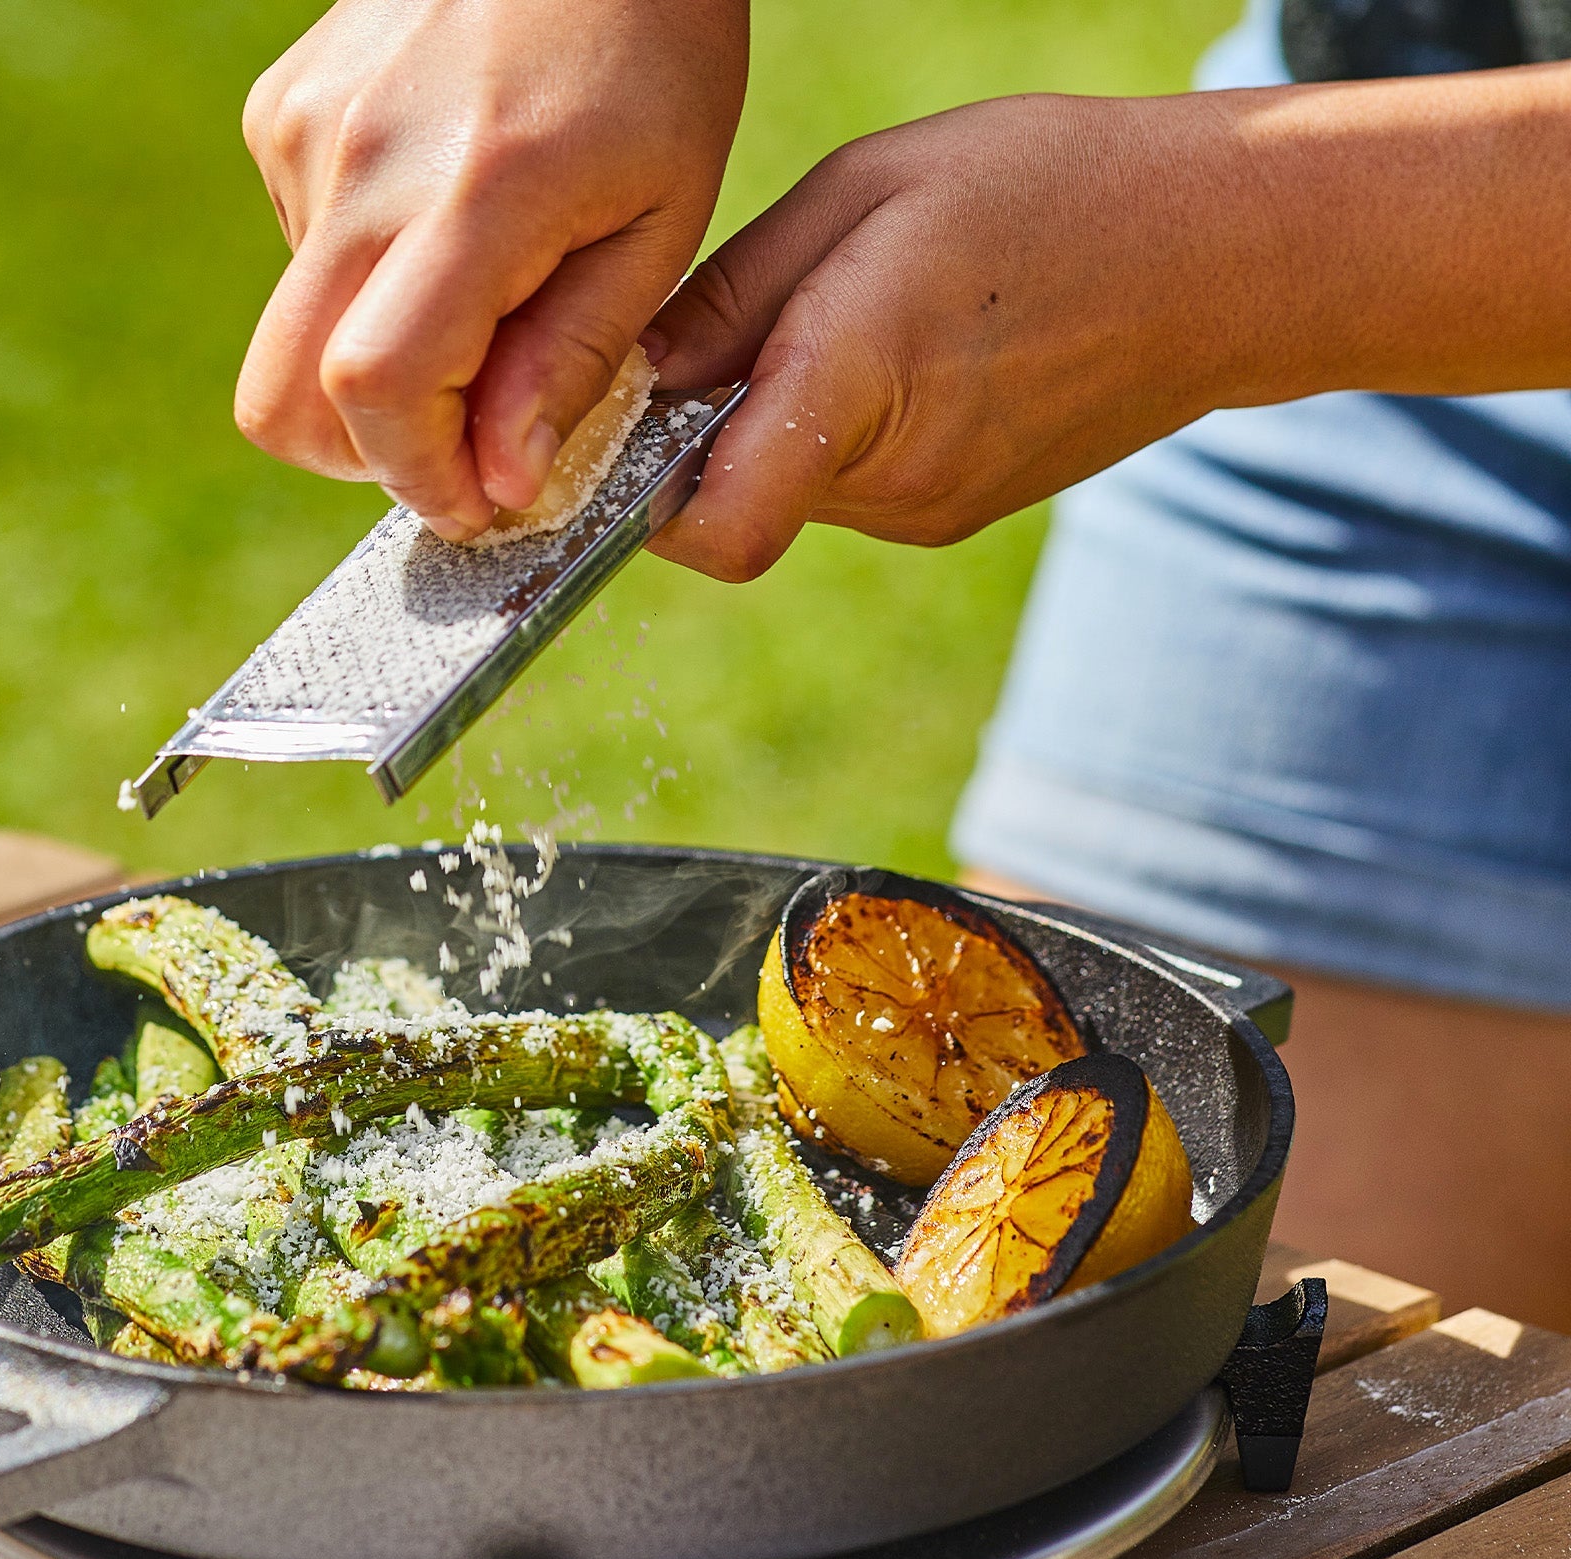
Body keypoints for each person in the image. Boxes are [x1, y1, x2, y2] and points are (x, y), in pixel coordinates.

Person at [232, 0, 1571, 1327]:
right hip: (1393, 110)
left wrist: (1234, 254)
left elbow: (1244, 246)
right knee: (1189, 1352)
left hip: (1317, 210)